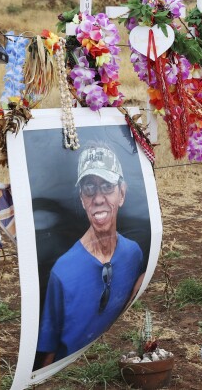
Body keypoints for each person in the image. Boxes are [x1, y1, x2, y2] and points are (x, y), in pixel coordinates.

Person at [35, 144, 144, 368]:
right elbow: (47, 354)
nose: (98, 198)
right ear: (82, 199)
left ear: (121, 193)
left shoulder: (134, 254)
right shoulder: (63, 272)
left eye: (107, 186)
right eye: (89, 188)